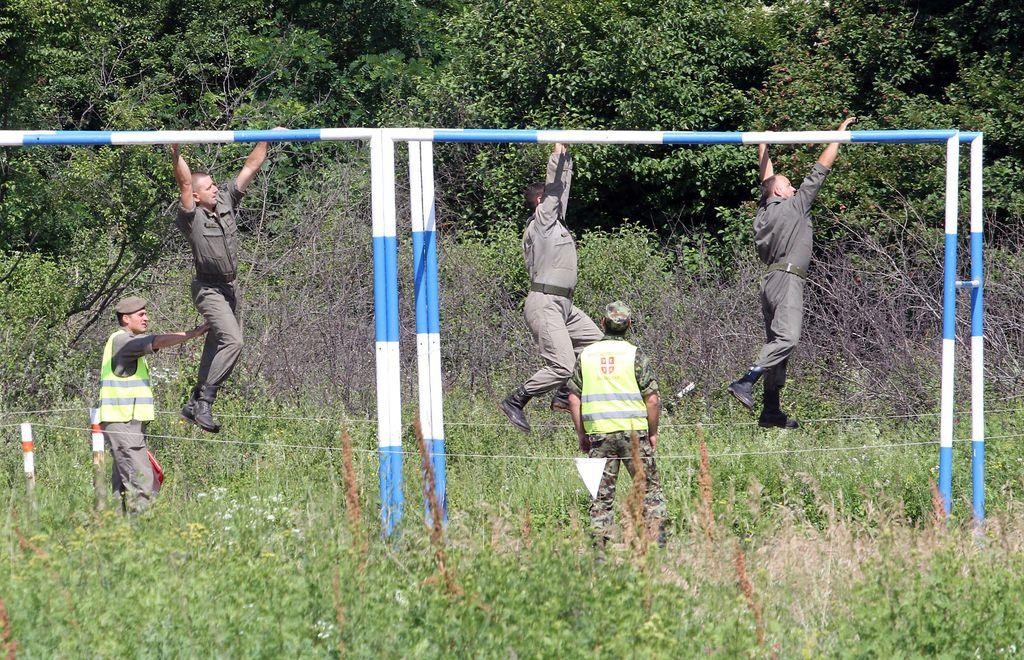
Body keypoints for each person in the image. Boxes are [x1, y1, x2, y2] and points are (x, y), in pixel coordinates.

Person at [727, 117, 857, 429]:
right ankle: (746, 380)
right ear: (782, 193)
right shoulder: (795, 206)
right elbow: (819, 171)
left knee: (777, 345)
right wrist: (837, 137)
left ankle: (771, 409)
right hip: (787, 279)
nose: (794, 186)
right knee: (788, 338)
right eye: (789, 185)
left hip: (770, 281)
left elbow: (768, 180)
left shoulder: (763, 212)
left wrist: (762, 145)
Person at [170, 130, 280, 432]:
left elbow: (251, 167)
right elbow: (183, 181)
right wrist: (176, 151)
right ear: (195, 196)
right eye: (208, 187)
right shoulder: (192, 217)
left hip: (230, 289)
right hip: (208, 288)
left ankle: (194, 403)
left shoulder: (227, 201)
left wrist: (265, 139)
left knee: (216, 343)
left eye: (215, 184)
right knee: (234, 341)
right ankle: (204, 401)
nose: (215, 189)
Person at [499, 142, 603, 433]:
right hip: (545, 302)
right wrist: (557, 155)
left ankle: (561, 393)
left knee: (598, 348)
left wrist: (567, 156)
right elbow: (555, 189)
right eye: (550, 200)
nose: (557, 203)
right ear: (540, 201)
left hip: (564, 305)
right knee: (562, 364)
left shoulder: (556, 224)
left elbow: (562, 190)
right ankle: (516, 400)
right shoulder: (541, 223)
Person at [567, 301, 666, 547]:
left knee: (601, 496)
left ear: (602, 323)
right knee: (649, 491)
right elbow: (652, 399)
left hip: (599, 435)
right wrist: (652, 433)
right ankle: (658, 544)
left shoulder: (586, 355)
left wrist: (582, 433)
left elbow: (573, 398)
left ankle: (600, 549)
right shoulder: (635, 354)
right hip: (634, 434)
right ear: (629, 325)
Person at [99, 296, 208, 513]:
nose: (146, 318)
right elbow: (156, 341)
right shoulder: (123, 341)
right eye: (141, 314)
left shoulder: (125, 343)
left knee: (122, 485)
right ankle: (140, 533)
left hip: (127, 424)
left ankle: (113, 533)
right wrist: (193, 334)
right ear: (125, 318)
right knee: (141, 481)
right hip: (123, 423)